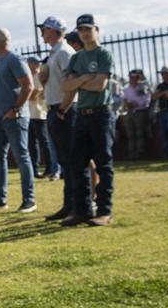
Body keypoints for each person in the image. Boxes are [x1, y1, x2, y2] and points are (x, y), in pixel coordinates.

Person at [59, 14, 115, 227]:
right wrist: (84, 79)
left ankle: (104, 211)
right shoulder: (76, 58)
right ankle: (81, 211)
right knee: (77, 164)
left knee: (103, 164)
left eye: (87, 29)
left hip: (101, 113)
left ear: (96, 29)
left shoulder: (104, 55)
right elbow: (65, 86)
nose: (84, 33)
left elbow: (99, 85)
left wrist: (77, 81)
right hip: (82, 114)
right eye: (81, 29)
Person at [0, 27, 36, 213]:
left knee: (22, 156)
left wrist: (15, 109)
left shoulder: (15, 60)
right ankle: (0, 199)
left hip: (15, 117)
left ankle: (29, 199)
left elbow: (28, 86)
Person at [40, 18, 76, 221]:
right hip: (57, 109)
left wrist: (63, 108)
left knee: (70, 160)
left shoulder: (64, 52)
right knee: (64, 160)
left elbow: (72, 83)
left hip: (64, 109)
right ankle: (68, 204)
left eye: (44, 30)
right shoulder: (55, 52)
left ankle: (73, 205)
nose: (42, 34)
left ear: (52, 30)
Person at [26, 56, 56, 178]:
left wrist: (24, 95)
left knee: (44, 142)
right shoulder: (30, 77)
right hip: (29, 114)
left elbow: (35, 94)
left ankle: (49, 168)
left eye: (28, 64)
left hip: (39, 114)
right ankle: (34, 169)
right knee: (32, 144)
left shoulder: (39, 76)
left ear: (34, 64)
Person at [121, 69, 151, 159]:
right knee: (130, 135)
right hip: (129, 112)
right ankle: (132, 155)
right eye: (130, 77)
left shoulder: (143, 87)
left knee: (139, 134)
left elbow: (147, 100)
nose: (131, 79)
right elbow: (124, 100)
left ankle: (140, 154)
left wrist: (136, 104)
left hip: (140, 112)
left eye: (133, 77)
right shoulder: (126, 89)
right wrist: (127, 104)